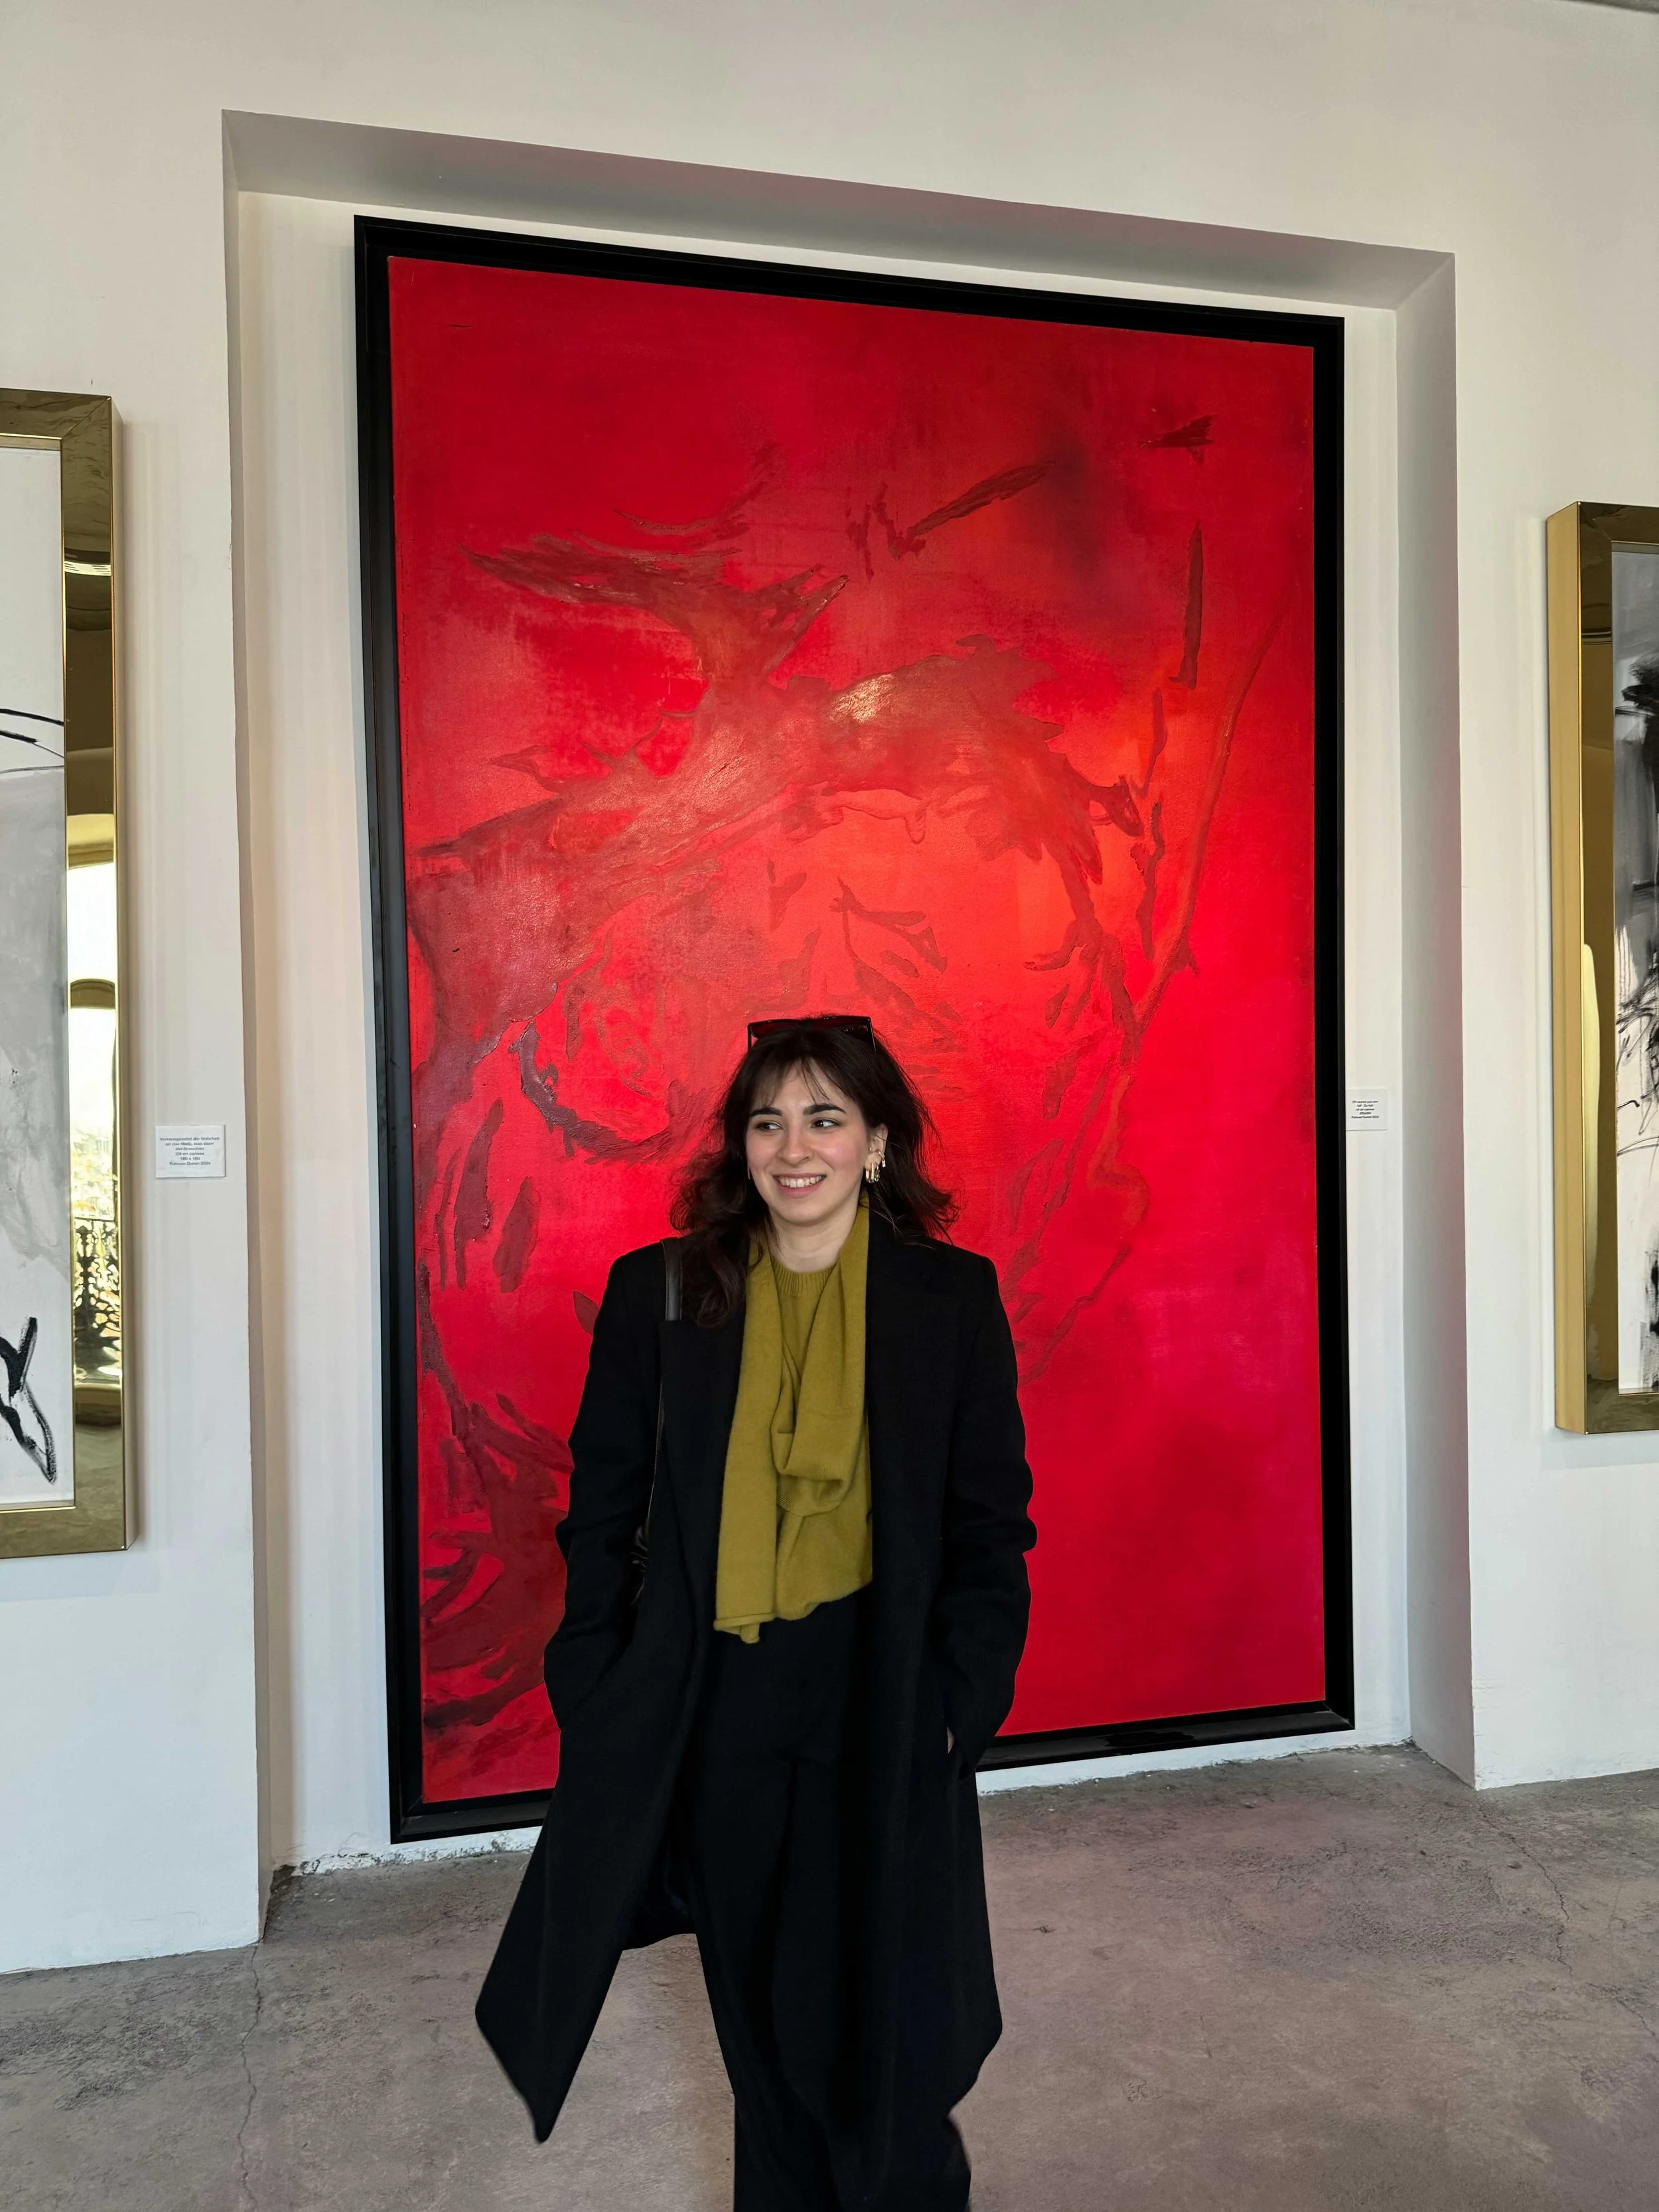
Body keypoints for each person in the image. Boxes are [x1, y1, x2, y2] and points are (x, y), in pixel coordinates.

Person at [477, 1015, 1036, 2211]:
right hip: (715, 1697)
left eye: (826, 1119)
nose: (795, 1148)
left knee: (890, 2020)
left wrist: (962, 1704)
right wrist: (593, 1682)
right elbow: (603, 1501)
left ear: (876, 1144)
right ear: (740, 1145)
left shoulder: (947, 1299)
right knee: (759, 2024)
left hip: (881, 1691)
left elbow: (992, 1525)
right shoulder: (665, 1292)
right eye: (768, 1122)